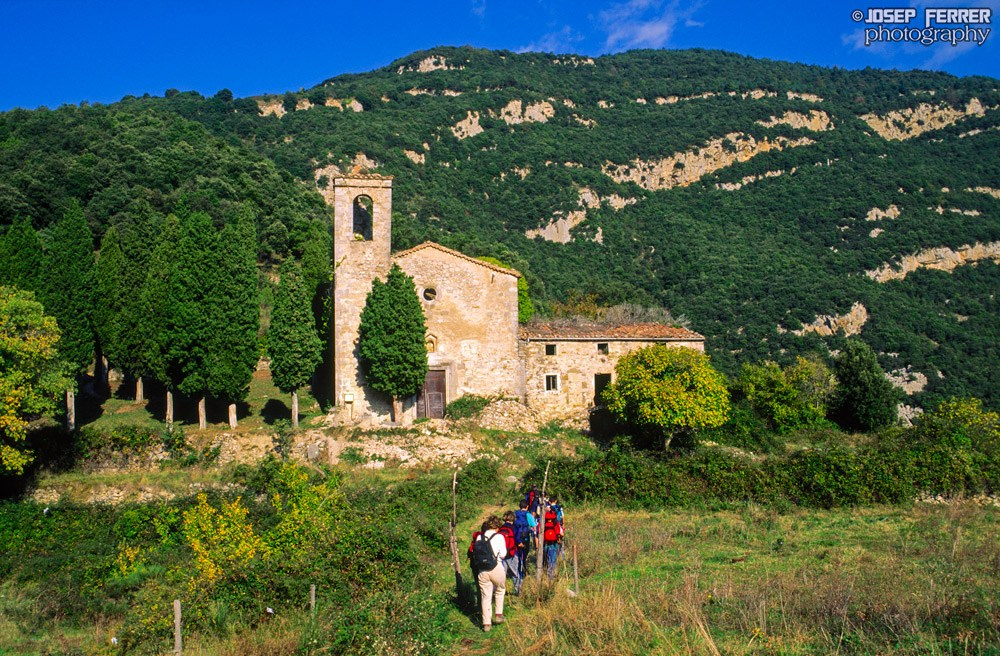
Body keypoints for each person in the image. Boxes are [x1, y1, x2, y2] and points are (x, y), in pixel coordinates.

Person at [469, 515, 507, 632]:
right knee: (500, 590)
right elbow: (503, 554)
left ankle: (486, 624)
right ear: (497, 526)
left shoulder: (480, 537)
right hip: (496, 567)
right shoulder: (499, 537)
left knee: (486, 596)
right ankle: (498, 615)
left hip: (482, 570)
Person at [513, 500, 536, 584]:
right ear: (527, 507)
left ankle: (517, 572)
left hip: (516, 540)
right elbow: (534, 528)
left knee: (517, 556)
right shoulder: (528, 515)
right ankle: (522, 573)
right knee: (524, 556)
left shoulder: (515, 514)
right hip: (525, 539)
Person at [499, 511, 521, 595]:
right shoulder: (514, 528)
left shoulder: (500, 528)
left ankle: (500, 590)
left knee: (502, 573)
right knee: (515, 572)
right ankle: (517, 590)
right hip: (512, 553)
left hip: (502, 555)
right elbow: (517, 540)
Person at [542, 503, 561, 580]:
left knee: (545, 559)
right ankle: (550, 576)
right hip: (553, 543)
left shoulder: (543, 522)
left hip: (545, 543)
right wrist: (559, 540)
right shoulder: (555, 523)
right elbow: (558, 533)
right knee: (552, 560)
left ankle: (544, 573)